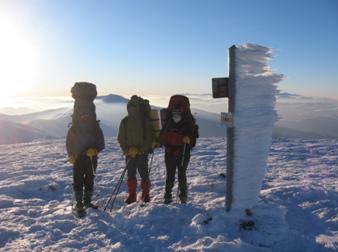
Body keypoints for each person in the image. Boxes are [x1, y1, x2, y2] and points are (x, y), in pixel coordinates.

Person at [66, 82, 105, 216]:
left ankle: (86, 202)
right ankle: (80, 203)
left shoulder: (88, 128)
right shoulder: (90, 127)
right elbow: (69, 143)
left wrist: (95, 150)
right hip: (80, 158)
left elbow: (101, 143)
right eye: (82, 114)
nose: (84, 116)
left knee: (89, 180)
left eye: (86, 114)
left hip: (90, 157)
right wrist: (71, 154)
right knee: (78, 180)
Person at [160, 95, 198, 204]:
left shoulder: (167, 120)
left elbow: (162, 137)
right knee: (181, 174)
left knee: (170, 175)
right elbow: (193, 140)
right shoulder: (190, 121)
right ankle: (183, 196)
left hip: (170, 152)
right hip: (183, 152)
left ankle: (168, 196)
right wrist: (187, 140)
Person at [117, 96, 153, 204]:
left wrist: (142, 149)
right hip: (129, 152)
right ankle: (132, 195)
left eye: (133, 107)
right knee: (131, 174)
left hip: (142, 152)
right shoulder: (124, 121)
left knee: (144, 173)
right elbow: (121, 138)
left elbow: (149, 137)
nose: (131, 109)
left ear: (137, 108)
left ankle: (145, 194)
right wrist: (126, 149)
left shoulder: (144, 121)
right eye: (130, 108)